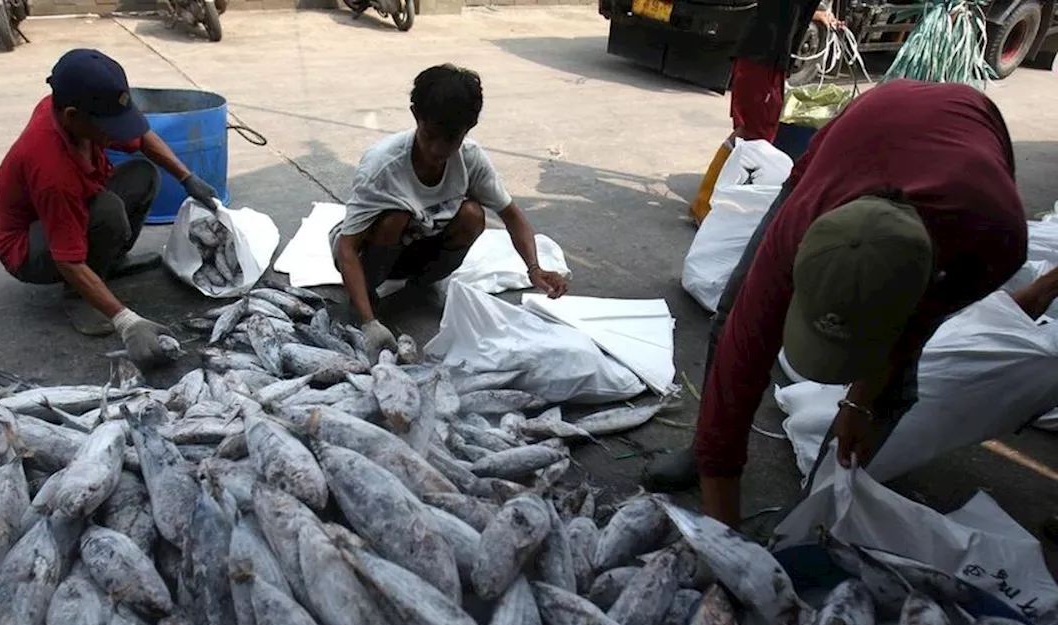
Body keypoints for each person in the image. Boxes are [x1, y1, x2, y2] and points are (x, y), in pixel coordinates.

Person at [648, 80, 1028, 528]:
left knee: (895, 386)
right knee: (735, 316)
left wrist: (860, 402)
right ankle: (701, 451)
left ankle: (829, 505)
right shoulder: (799, 230)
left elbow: (913, 329)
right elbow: (740, 363)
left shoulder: (996, 241)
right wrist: (726, 540)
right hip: (861, 133)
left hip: (966, 138)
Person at [0, 48, 221, 368]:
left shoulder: (69, 109)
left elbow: (141, 139)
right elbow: (67, 259)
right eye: (109, 126)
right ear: (73, 116)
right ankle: (78, 297)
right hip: (29, 247)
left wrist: (186, 177)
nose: (116, 134)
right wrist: (126, 321)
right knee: (107, 212)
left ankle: (108, 263)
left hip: (72, 207)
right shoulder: (52, 170)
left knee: (142, 175)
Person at [332, 64, 570, 360]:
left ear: (466, 131)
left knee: (473, 214)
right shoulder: (381, 167)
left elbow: (511, 215)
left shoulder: (471, 160)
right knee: (394, 218)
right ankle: (365, 298)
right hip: (370, 254)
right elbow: (347, 247)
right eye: (430, 135)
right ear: (416, 115)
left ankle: (422, 284)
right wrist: (368, 324)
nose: (438, 149)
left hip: (418, 250)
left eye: (451, 139)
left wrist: (534, 268)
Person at [689, 0, 837, 224]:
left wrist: (817, 15)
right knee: (753, 136)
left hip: (765, 59)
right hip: (762, 60)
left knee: (750, 134)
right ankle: (705, 203)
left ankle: (711, 202)